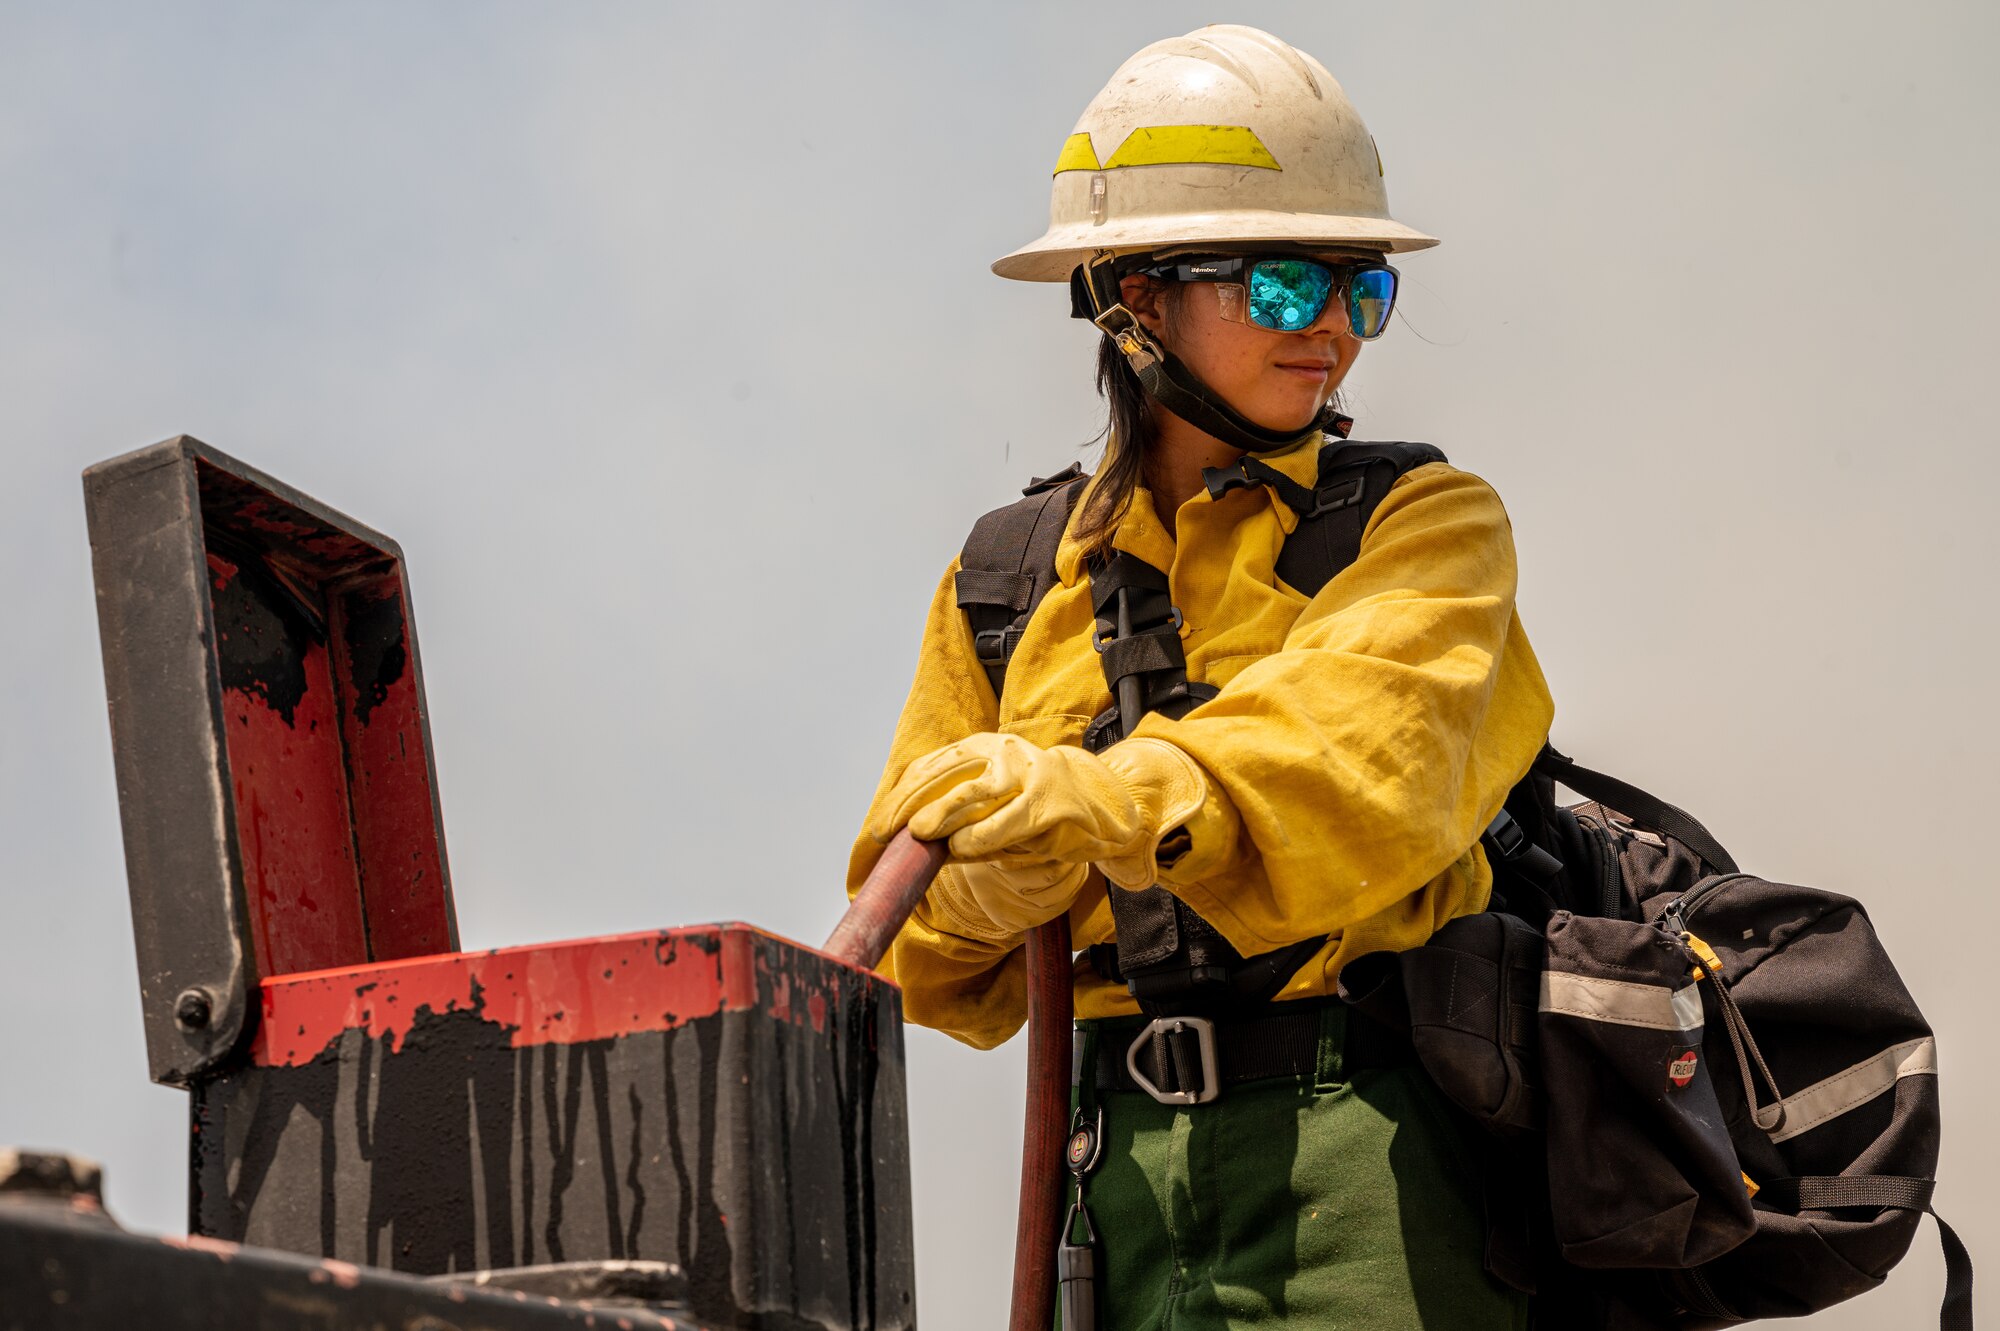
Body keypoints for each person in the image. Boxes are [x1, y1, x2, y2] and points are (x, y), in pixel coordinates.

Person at [848, 24, 1553, 1330]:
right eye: (1286, 286)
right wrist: (991, 892)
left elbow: (1362, 756)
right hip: (1105, 1183)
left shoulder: (1424, 525)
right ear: (1135, 298)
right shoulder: (1008, 580)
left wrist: (1117, 804)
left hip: (1371, 1161)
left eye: (1365, 291)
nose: (1335, 329)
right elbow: (923, 956)